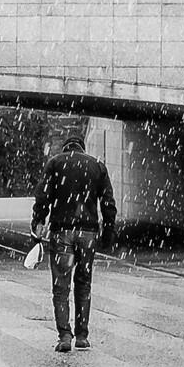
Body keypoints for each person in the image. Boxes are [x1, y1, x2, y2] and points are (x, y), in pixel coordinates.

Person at [31, 136, 117, 353]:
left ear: (65, 148)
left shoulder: (55, 163)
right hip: (88, 233)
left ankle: (64, 335)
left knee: (61, 285)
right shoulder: (97, 166)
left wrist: (38, 221)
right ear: (82, 148)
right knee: (84, 283)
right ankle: (82, 335)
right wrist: (108, 233)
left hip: (62, 231)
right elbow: (108, 203)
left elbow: (42, 197)